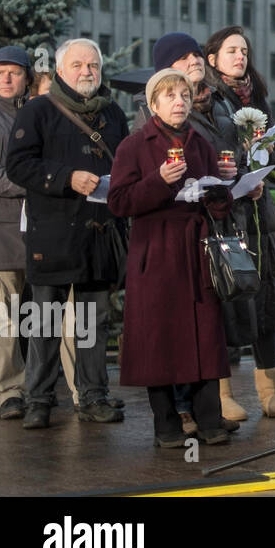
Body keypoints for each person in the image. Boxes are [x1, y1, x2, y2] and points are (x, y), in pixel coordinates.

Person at [107, 69, 237, 447]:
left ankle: (210, 420)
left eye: (184, 94)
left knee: (205, 334)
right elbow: (118, 202)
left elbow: (219, 204)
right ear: (153, 105)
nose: (179, 101)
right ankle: (165, 426)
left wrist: (221, 191)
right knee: (158, 338)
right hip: (156, 253)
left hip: (197, 251)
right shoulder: (134, 145)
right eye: (170, 96)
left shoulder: (201, 144)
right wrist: (158, 181)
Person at [5, 39, 128, 429]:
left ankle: (93, 396)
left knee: (92, 322)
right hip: (53, 234)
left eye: (93, 65)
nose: (87, 72)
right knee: (44, 322)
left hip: (99, 235)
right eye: (78, 65)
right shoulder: (38, 111)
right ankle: (38, 400)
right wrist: (66, 178)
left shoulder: (112, 114)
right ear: (61, 71)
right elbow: (18, 165)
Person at [204, 25, 275, 419]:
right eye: (231, 51)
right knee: (232, 299)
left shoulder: (257, 97)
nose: (240, 57)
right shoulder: (207, 99)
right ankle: (223, 394)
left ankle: (270, 388)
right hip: (229, 215)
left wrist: (268, 162)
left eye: (243, 50)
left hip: (261, 215)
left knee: (267, 298)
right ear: (212, 58)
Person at [0, 46, 31, 420]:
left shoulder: (36, 111)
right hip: (0, 233)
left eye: (14, 72)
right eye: (0, 71)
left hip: (38, 232)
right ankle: (10, 391)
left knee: (40, 314)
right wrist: (32, 183)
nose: (6, 78)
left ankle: (37, 386)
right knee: (2, 317)